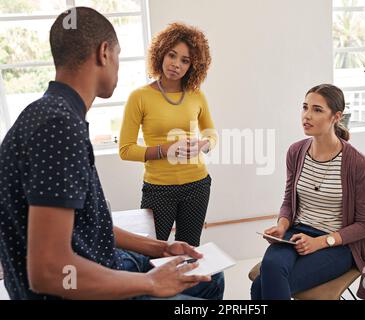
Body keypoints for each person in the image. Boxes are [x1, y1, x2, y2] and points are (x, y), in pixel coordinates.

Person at [0, 7, 223, 300]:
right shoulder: (58, 125)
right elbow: (49, 272)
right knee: (200, 287)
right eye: (118, 55)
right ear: (104, 53)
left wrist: (161, 248)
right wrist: (151, 284)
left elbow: (88, 225)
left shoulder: (52, 114)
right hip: (91, 284)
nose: (118, 66)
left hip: (110, 259)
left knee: (211, 276)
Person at [251, 84, 365, 300]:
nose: (307, 116)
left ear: (336, 117)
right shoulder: (296, 152)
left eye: (317, 110)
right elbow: (289, 201)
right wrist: (282, 226)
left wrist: (320, 242)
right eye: (305, 107)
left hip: (337, 246)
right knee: (271, 265)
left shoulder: (356, 162)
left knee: (261, 286)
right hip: (296, 234)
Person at [119, 22, 217, 247]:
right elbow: (125, 150)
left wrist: (202, 145)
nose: (176, 65)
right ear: (161, 54)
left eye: (185, 60)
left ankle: (192, 284)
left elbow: (212, 135)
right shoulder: (140, 97)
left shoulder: (197, 95)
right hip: (158, 188)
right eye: (172, 55)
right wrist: (164, 150)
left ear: (193, 66)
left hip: (197, 185)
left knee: (189, 251)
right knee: (154, 251)